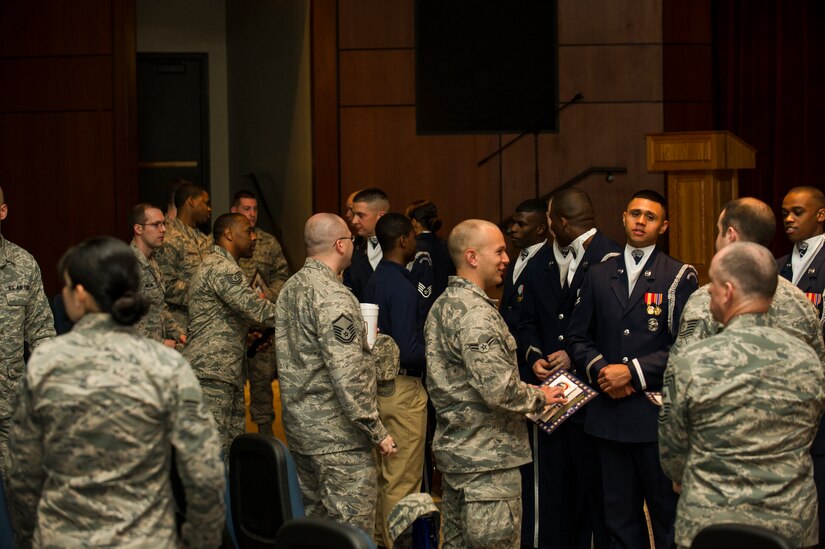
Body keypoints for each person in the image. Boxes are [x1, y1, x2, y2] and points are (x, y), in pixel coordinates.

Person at [5, 237, 224, 548]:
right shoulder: (167, 365)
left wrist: (30, 537)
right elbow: (205, 472)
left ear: (79, 294)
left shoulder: (46, 364)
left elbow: (21, 473)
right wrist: (202, 541)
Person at [659, 242, 825, 548]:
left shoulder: (692, 361)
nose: (708, 292)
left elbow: (672, 452)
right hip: (791, 522)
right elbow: (810, 431)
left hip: (710, 522)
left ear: (728, 291)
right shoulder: (808, 359)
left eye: (713, 284)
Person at [567, 189, 698, 549]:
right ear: (624, 217)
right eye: (635, 214)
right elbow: (578, 337)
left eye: (650, 217)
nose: (641, 221)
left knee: (667, 518)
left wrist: (633, 373)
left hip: (654, 420)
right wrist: (603, 371)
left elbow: (686, 347)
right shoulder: (598, 273)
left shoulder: (678, 276)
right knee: (618, 520)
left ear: (664, 225)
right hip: (607, 417)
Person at [424, 219, 566, 548]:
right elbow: (499, 389)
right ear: (473, 257)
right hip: (489, 464)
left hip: (458, 458)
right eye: (500, 251)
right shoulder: (476, 314)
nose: (507, 259)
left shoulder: (442, 306)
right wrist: (543, 395)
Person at [275, 213, 396, 537]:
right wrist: (376, 429)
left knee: (315, 532)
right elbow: (347, 372)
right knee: (350, 534)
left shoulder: (291, 288)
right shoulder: (334, 296)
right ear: (341, 245)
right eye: (352, 241)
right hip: (339, 440)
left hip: (302, 433)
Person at [518, 188, 620, 549]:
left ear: (559, 222)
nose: (547, 227)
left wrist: (575, 356)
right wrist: (534, 356)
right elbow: (523, 318)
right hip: (550, 397)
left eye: (549, 220)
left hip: (593, 397)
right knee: (553, 490)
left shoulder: (613, 258)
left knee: (596, 493)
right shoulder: (538, 261)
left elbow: (618, 330)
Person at [183, 213, 278, 462]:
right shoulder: (221, 268)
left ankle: (227, 502)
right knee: (211, 454)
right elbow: (257, 310)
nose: (254, 236)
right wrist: (300, 312)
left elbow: (227, 318)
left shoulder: (222, 265)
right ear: (228, 233)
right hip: (212, 372)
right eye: (248, 231)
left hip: (226, 372)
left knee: (229, 452)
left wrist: (252, 335)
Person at [362, 213, 429, 548]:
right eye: (413, 236)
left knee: (383, 480)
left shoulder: (376, 279)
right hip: (402, 391)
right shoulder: (402, 285)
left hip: (381, 390)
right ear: (403, 240)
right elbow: (408, 349)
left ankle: (380, 541)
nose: (416, 242)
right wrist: (438, 349)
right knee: (401, 483)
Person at [0, 185, 55, 478]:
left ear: (3, 211)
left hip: (12, 402)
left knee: (19, 490)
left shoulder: (23, 264)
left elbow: (42, 331)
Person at [230, 190, 290, 435]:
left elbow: (282, 276)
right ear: (235, 211)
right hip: (234, 328)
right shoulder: (226, 241)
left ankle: (266, 440)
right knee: (232, 389)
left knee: (263, 387)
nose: (252, 214)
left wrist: (268, 296)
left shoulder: (269, 242)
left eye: (255, 209)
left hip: (262, 331)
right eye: (246, 209)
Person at [155, 182, 213, 331]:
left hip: (205, 326)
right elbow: (165, 284)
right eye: (205, 202)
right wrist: (204, 292)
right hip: (180, 328)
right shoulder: (169, 238)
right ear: (191, 201)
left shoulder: (204, 240)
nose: (209, 208)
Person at [129, 202, 185, 347]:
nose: (164, 229)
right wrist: (159, 343)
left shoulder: (153, 261)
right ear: (138, 228)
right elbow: (124, 320)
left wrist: (178, 333)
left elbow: (159, 307)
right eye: (156, 225)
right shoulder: (128, 266)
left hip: (155, 354)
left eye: (164, 224)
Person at [500, 199, 548, 345]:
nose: (512, 229)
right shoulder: (512, 261)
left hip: (533, 351)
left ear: (540, 229)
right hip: (508, 348)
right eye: (513, 223)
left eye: (521, 224)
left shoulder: (549, 262)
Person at [778, 186, 825, 323]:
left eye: (797, 212)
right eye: (784, 214)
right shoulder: (776, 265)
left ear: (820, 215)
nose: (788, 219)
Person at [405, 199, 455, 315]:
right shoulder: (449, 246)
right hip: (446, 310)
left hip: (422, 313)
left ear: (413, 222)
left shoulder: (412, 249)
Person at [344, 188, 390, 299]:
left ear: (381, 216)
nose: (354, 221)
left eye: (361, 215)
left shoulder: (400, 247)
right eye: (354, 215)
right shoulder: (352, 249)